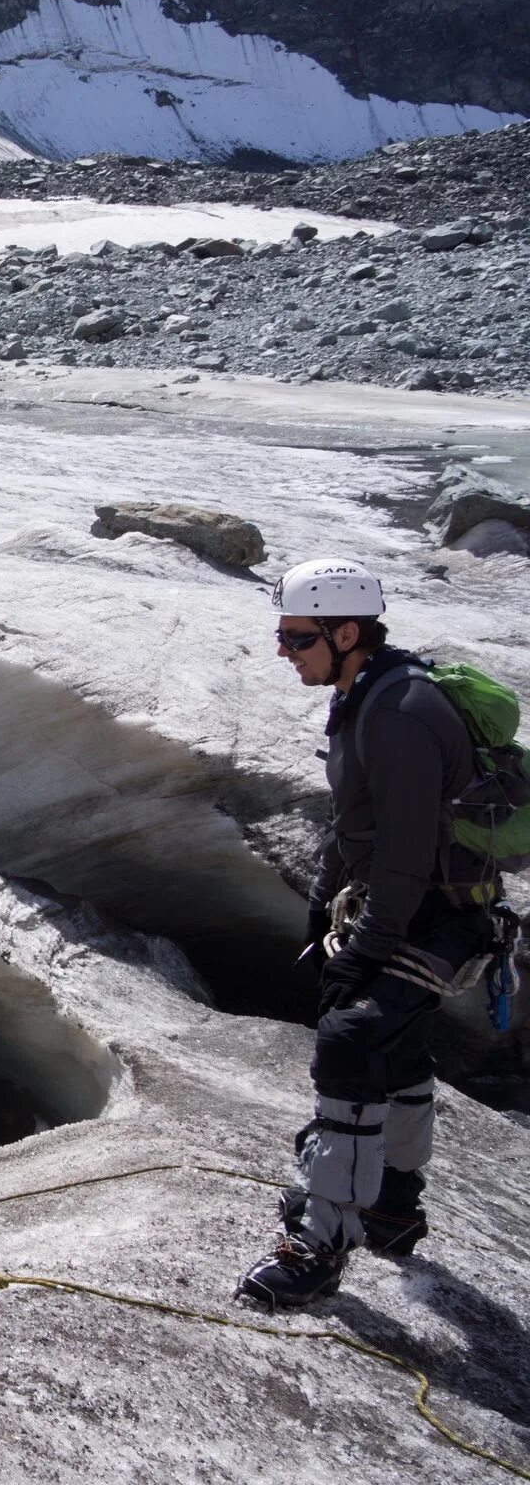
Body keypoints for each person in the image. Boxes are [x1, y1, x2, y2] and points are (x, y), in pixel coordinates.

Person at [240, 559, 493, 1308]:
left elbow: (410, 850)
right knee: (398, 1045)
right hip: (402, 906)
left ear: (347, 632)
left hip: (436, 915)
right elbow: (356, 821)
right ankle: (388, 1205)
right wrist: (324, 904)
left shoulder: (401, 712)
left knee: (353, 1040)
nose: (284, 652)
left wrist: (371, 948)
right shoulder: (366, 694)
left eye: (296, 638)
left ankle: (322, 1244)